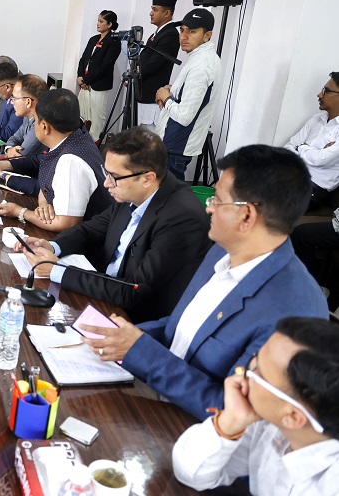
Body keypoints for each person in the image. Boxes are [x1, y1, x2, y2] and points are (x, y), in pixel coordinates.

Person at [76, 145, 329, 420]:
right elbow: (185, 326)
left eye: (216, 200)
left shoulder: (294, 310)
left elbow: (234, 413)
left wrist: (139, 351)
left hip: (191, 427)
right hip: (156, 391)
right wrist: (120, 336)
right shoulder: (223, 249)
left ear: (246, 216)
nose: (208, 208)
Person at [17, 128, 212, 323]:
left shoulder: (182, 218)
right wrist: (52, 246)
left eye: (114, 176)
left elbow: (134, 290)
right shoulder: (132, 188)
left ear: (147, 178)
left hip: (135, 320)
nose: (106, 183)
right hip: (104, 293)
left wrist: (56, 270)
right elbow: (90, 229)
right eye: (106, 173)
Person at [172, 317, 339, 494]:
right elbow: (190, 473)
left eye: (258, 371)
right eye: (255, 358)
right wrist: (229, 422)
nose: (244, 372)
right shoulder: (268, 424)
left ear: (293, 417)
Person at [0, 89, 112, 232]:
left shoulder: (71, 161)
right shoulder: (75, 137)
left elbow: (67, 223)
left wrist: (19, 212)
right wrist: (44, 205)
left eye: (36, 121)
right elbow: (45, 185)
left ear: (45, 127)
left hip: (90, 241)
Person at [155, 8, 222, 180]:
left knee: (169, 194)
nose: (184, 36)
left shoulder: (201, 66)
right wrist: (173, 90)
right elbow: (196, 94)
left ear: (207, 35)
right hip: (176, 142)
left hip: (176, 144)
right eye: (182, 30)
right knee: (167, 192)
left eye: (192, 32)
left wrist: (165, 97)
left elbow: (185, 116)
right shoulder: (203, 57)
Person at [284, 72, 339, 210]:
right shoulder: (316, 119)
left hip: (313, 188)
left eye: (326, 91)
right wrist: (313, 151)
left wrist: (300, 147)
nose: (319, 95)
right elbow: (288, 147)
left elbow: (321, 159)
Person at [137, 0, 181, 130]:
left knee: (148, 137)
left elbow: (153, 64)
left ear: (167, 13)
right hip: (143, 94)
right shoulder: (158, 33)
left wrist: (135, 75)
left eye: (155, 10)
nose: (151, 13)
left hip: (152, 97)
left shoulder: (170, 34)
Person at [77, 10, 120, 139]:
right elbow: (83, 60)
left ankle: (96, 144)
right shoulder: (93, 39)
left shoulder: (114, 41)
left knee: (97, 118)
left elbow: (105, 66)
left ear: (109, 24)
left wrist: (86, 79)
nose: (98, 24)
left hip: (98, 85)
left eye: (101, 21)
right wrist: (80, 77)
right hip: (85, 84)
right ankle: (81, 140)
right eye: (98, 20)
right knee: (81, 114)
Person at [3, 74, 48, 157]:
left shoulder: (41, 124)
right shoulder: (27, 117)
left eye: (15, 98)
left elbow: (20, 155)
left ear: (28, 102)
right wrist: (9, 149)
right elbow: (14, 138)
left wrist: (12, 152)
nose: (12, 102)